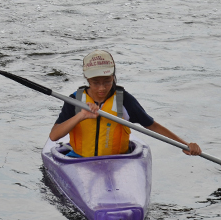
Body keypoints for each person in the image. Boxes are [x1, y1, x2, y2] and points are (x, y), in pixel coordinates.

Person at [49, 50, 202, 158]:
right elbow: (54, 135)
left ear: (113, 77)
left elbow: (152, 126)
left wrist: (185, 145)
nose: (101, 88)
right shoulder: (75, 100)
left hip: (118, 161)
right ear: (87, 79)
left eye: (107, 81)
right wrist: (81, 116)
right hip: (79, 159)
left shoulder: (124, 100)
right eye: (95, 83)